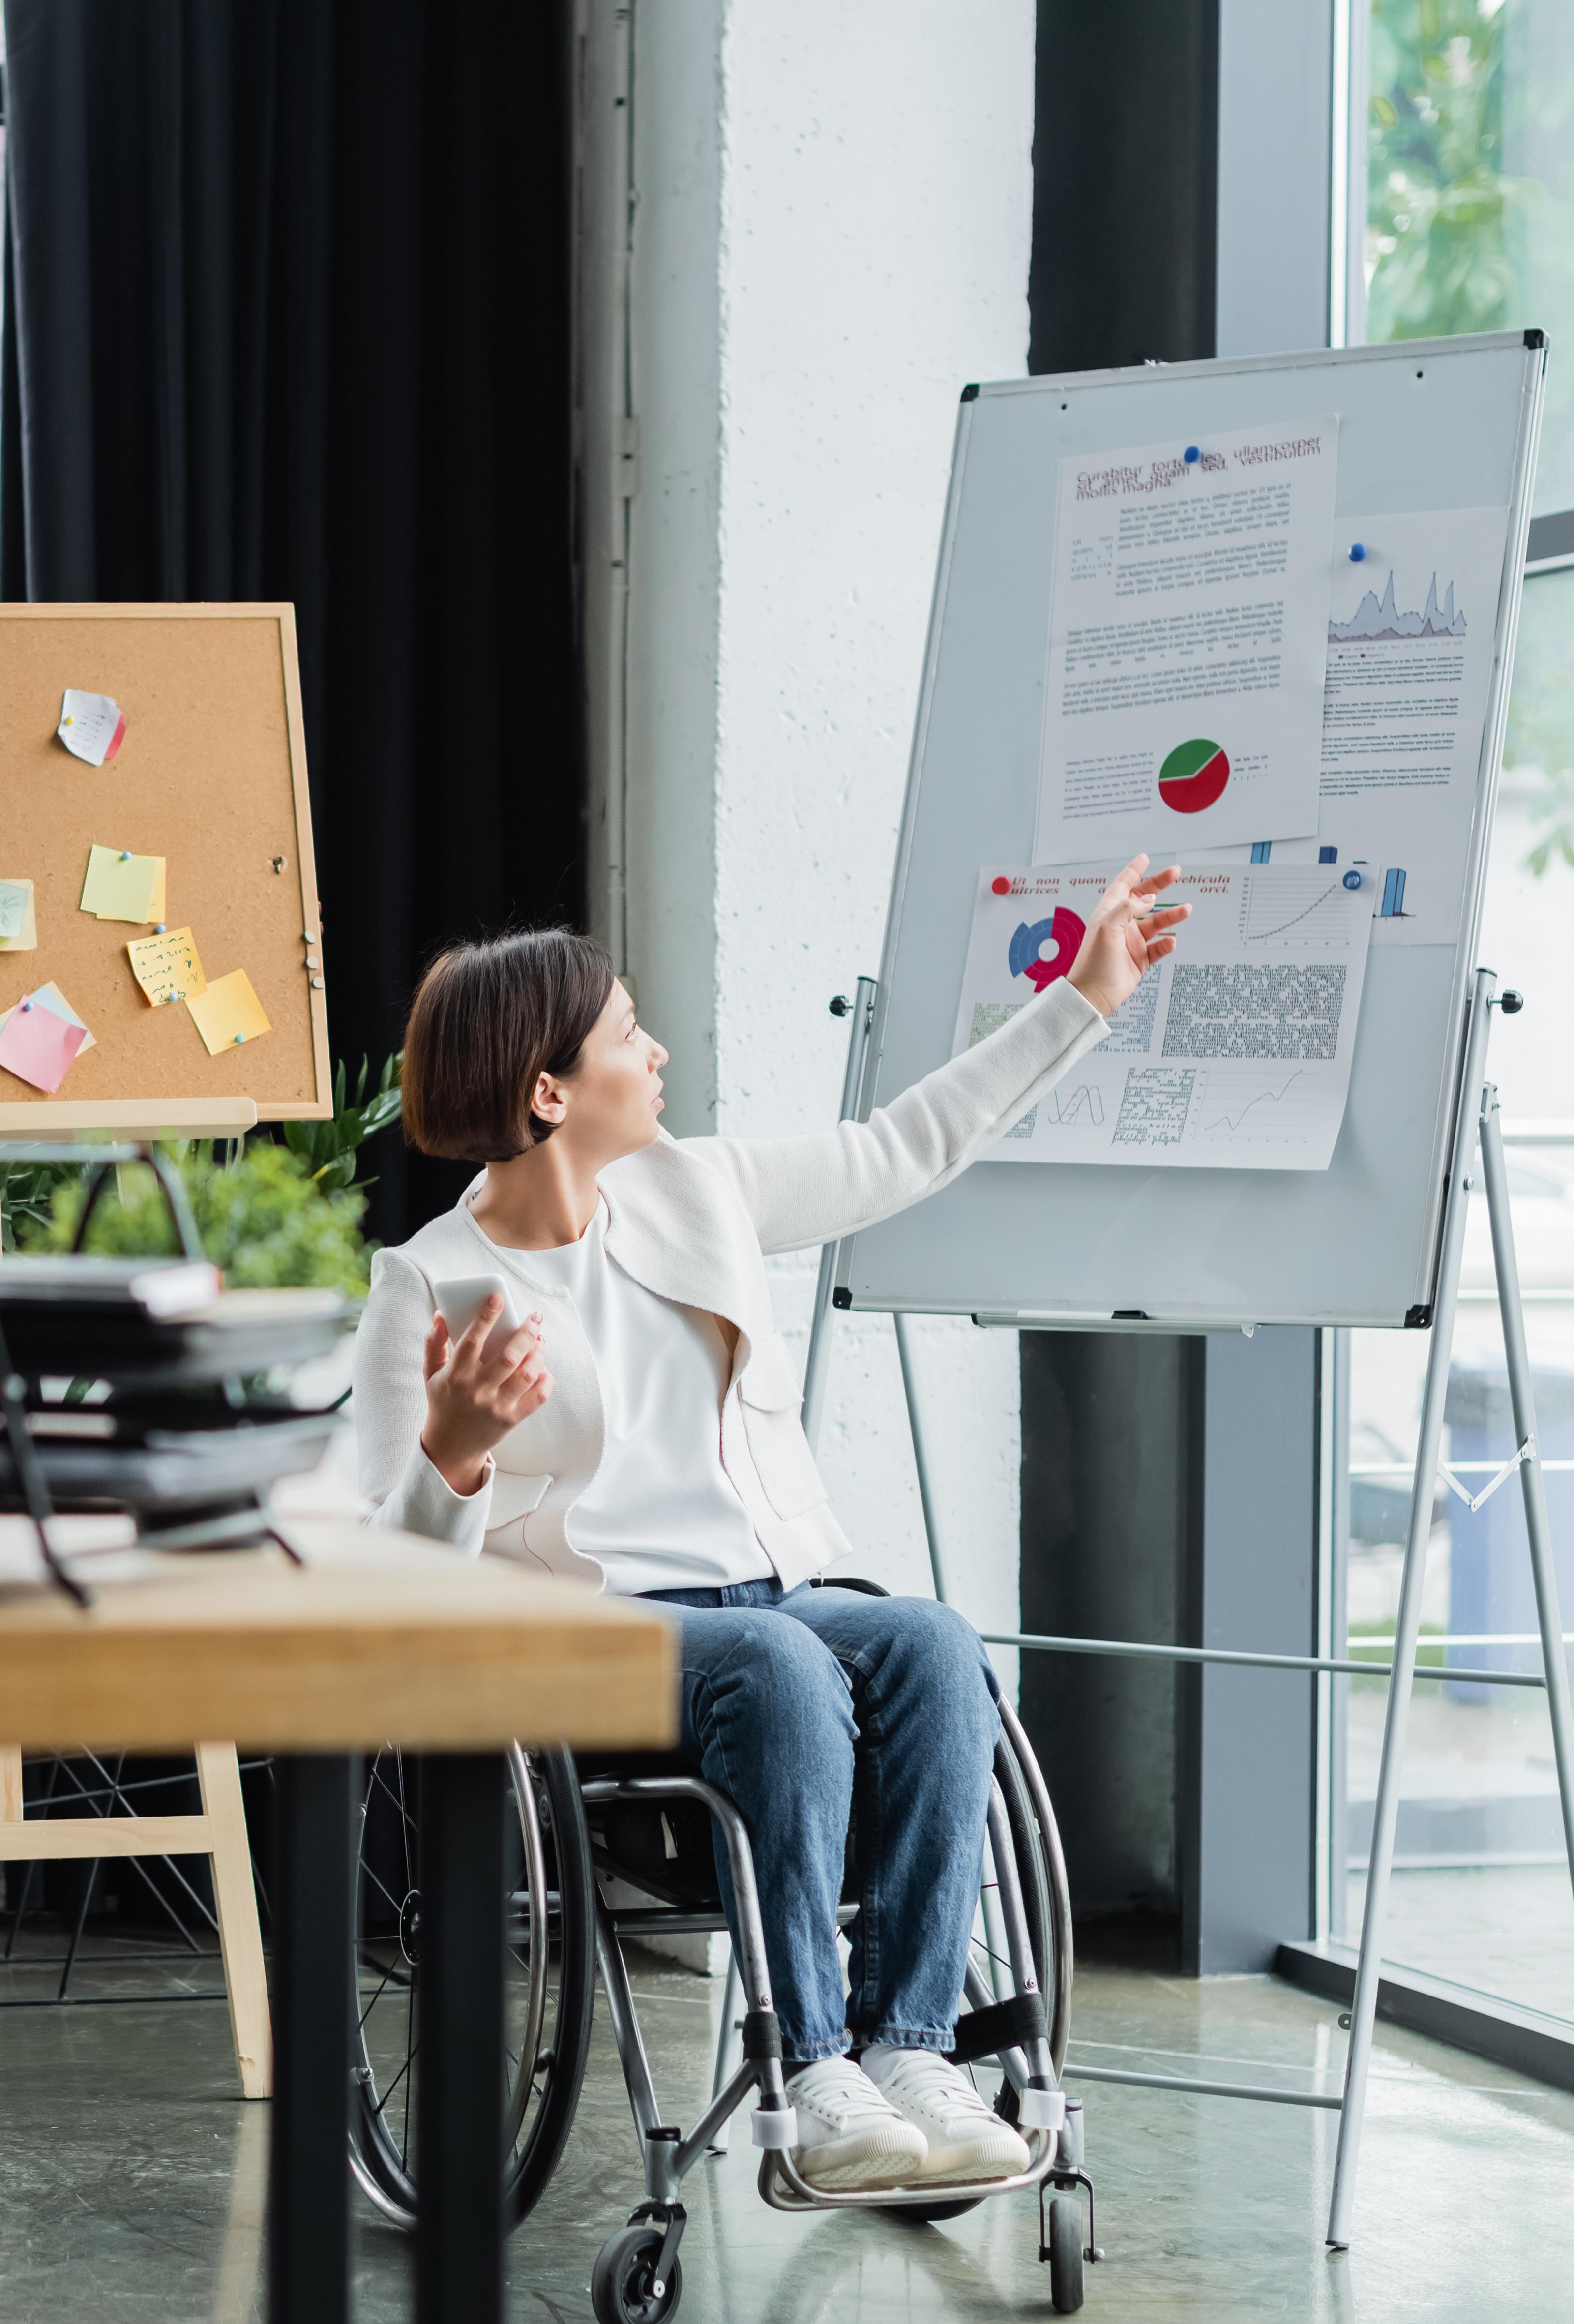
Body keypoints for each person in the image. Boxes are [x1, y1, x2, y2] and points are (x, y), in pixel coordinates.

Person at [352, 860, 1184, 2194]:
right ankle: (812, 2063)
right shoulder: (431, 1287)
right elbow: (384, 1569)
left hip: (776, 1590)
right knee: (783, 1667)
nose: (658, 1049)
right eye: (628, 1032)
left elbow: (906, 1144)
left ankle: (908, 2046)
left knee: (925, 1637)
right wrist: (452, 1454)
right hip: (591, 1633)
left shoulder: (700, 1189)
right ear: (549, 1090)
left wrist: (1080, 999)